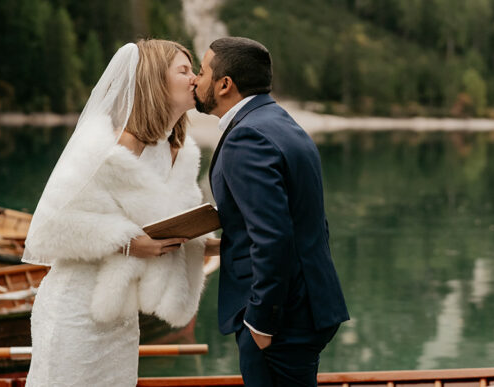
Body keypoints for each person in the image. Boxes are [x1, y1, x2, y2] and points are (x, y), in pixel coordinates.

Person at [23, 39, 209, 386]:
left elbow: (170, 229)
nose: (195, 79)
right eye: (184, 71)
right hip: (74, 310)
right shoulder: (108, 146)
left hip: (121, 317)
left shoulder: (178, 154)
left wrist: (217, 243)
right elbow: (48, 230)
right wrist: (128, 243)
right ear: (155, 80)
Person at [194, 36, 349, 387]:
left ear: (224, 85)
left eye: (201, 72)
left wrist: (262, 320)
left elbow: (273, 237)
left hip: (281, 319)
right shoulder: (279, 122)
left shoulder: (246, 138)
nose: (195, 80)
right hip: (307, 305)